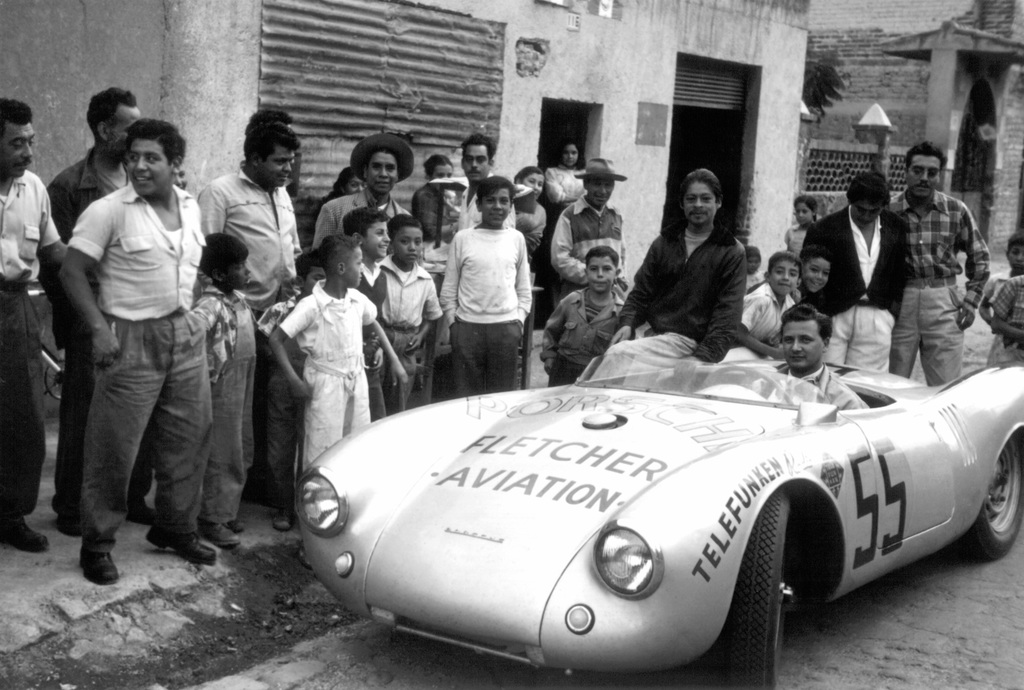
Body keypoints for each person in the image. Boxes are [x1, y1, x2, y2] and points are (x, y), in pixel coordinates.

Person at [61, 119, 215, 585]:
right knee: (114, 448)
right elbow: (72, 271)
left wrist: (200, 314)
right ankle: (98, 544)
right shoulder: (109, 211)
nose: (140, 166)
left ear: (174, 164)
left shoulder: (190, 205)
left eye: (152, 158)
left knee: (190, 437)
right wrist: (98, 332)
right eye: (133, 157)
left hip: (185, 334)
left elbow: (188, 268)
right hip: (129, 339)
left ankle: (174, 528)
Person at [45, 87, 154, 536]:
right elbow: (59, 268)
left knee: (140, 406)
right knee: (84, 414)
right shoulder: (69, 187)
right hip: (94, 317)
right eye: (130, 126)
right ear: (105, 129)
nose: (138, 136)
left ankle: (131, 495)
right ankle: (71, 504)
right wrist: (79, 326)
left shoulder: (144, 180)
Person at [198, 110, 301, 507]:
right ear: (254, 159)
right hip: (236, 316)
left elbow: (289, 249)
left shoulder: (282, 193)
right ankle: (222, 497)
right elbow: (205, 256)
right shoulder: (220, 192)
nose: (287, 169)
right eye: (279, 161)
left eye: (290, 161)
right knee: (231, 410)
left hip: (278, 317)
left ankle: (257, 483)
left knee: (267, 406)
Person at [268, 234, 407, 463]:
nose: (362, 268)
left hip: (356, 378)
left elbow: (373, 321)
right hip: (325, 385)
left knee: (357, 443)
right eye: (358, 263)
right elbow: (276, 340)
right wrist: (294, 381)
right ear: (341, 268)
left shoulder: (357, 299)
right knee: (323, 446)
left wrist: (395, 361)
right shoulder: (311, 305)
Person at [0, 98, 66, 553]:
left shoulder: (34, 188)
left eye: (31, 142)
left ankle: (11, 514)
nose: (28, 153)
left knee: (23, 417)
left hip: (15, 308)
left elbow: (54, 252)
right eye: (17, 143)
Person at [608, 168, 746, 364]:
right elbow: (640, 293)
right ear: (682, 203)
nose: (698, 205)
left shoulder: (730, 251)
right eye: (691, 199)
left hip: (691, 343)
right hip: (653, 336)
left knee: (618, 356)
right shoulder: (664, 242)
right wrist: (627, 323)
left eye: (706, 199)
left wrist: (701, 359)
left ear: (719, 202)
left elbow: (727, 317)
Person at [889, 141, 991, 385]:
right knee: (891, 381)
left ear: (939, 176)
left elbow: (980, 257)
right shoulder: (889, 209)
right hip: (900, 302)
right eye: (917, 170)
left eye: (932, 173)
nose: (924, 178)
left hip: (943, 300)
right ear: (905, 171)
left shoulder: (956, 210)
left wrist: (970, 301)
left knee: (944, 385)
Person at [803, 171, 908, 371]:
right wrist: (817, 314)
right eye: (861, 209)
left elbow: (899, 271)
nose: (866, 215)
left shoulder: (896, 226)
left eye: (874, 210)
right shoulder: (824, 228)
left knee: (869, 383)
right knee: (824, 376)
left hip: (877, 314)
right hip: (834, 313)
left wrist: (891, 311)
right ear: (850, 201)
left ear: (883, 206)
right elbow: (808, 276)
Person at [190, 234, 256, 549]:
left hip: (244, 381)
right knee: (221, 452)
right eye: (240, 267)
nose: (248, 273)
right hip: (221, 386)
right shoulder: (211, 304)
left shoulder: (238, 300)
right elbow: (193, 329)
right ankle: (211, 518)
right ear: (219, 275)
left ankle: (226, 510)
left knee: (240, 447)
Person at [440, 176, 532, 397]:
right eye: (490, 200)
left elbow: (524, 290)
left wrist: (518, 322)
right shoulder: (463, 238)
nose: (497, 206)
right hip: (468, 329)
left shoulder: (516, 239)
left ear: (511, 206)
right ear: (479, 205)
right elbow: (449, 290)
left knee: (500, 398)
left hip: (505, 329)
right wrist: (454, 326)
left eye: (504, 201)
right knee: (466, 398)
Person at [256, 251, 322, 531]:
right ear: (300, 281)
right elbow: (264, 343)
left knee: (314, 443)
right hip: (282, 384)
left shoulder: (329, 309)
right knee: (280, 446)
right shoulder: (280, 310)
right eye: (317, 278)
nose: (322, 284)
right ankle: (283, 505)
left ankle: (311, 505)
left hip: (317, 384)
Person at [379, 214, 442, 412]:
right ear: (391, 244)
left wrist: (420, 334)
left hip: (407, 343)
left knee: (401, 395)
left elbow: (432, 315)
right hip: (383, 337)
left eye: (418, 241)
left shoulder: (425, 279)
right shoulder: (379, 272)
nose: (412, 247)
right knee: (378, 392)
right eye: (404, 241)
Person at [313, 132, 413, 249]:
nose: (383, 174)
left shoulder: (404, 218)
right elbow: (317, 261)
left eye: (390, 168)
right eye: (376, 167)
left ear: (397, 175)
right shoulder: (334, 210)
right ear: (365, 171)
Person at [541, 245, 623, 386]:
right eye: (593, 269)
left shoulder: (621, 312)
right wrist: (549, 357)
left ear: (617, 273)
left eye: (607, 269)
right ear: (586, 272)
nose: (600, 275)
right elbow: (552, 331)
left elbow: (624, 353)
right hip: (563, 370)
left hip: (598, 374)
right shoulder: (571, 301)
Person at [550, 158, 627, 301]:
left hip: (610, 296)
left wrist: (620, 276)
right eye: (597, 184)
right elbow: (559, 258)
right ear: (586, 184)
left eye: (608, 185)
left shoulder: (616, 214)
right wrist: (594, 276)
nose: (603, 191)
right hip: (577, 295)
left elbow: (621, 254)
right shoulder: (570, 215)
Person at [343, 206, 391, 420]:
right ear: (358, 239)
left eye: (387, 233)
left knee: (375, 415)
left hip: (372, 359)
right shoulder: (349, 276)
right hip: (348, 359)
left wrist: (378, 347)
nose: (387, 239)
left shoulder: (381, 275)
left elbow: (375, 317)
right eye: (379, 233)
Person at [776, 303, 867, 411]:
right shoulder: (762, 386)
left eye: (805, 340)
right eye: (788, 340)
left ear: (825, 344)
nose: (795, 348)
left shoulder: (846, 402)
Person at [732, 250, 800, 360]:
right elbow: (739, 333)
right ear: (767, 276)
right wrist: (773, 352)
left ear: (798, 282)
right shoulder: (761, 299)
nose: (786, 278)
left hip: (753, 350)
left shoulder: (790, 303)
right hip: (732, 348)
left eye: (792, 274)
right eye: (779, 272)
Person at [456, 132, 516, 231]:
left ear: (490, 163)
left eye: (480, 159)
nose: (474, 164)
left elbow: (505, 239)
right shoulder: (465, 193)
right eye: (469, 159)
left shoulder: (499, 196)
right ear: (462, 163)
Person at [980, 233, 1024, 365]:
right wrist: (992, 322)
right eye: (1015, 253)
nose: (1020, 258)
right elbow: (984, 306)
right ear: (1007, 254)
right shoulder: (997, 281)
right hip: (1003, 342)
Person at [512, 165, 546, 259]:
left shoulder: (539, 210)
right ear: (519, 182)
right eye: (531, 182)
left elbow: (510, 226)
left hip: (519, 261)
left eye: (540, 184)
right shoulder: (506, 202)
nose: (536, 187)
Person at [543, 139, 585, 208]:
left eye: (574, 153)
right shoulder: (552, 172)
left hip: (583, 212)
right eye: (566, 153)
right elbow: (556, 197)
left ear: (579, 154)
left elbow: (589, 193)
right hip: (560, 212)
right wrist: (581, 200)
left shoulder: (584, 173)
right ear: (560, 154)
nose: (570, 156)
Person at [796, 243, 832, 310]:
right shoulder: (786, 293)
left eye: (825, 273)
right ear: (801, 266)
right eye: (814, 270)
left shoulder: (820, 300)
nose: (820, 277)